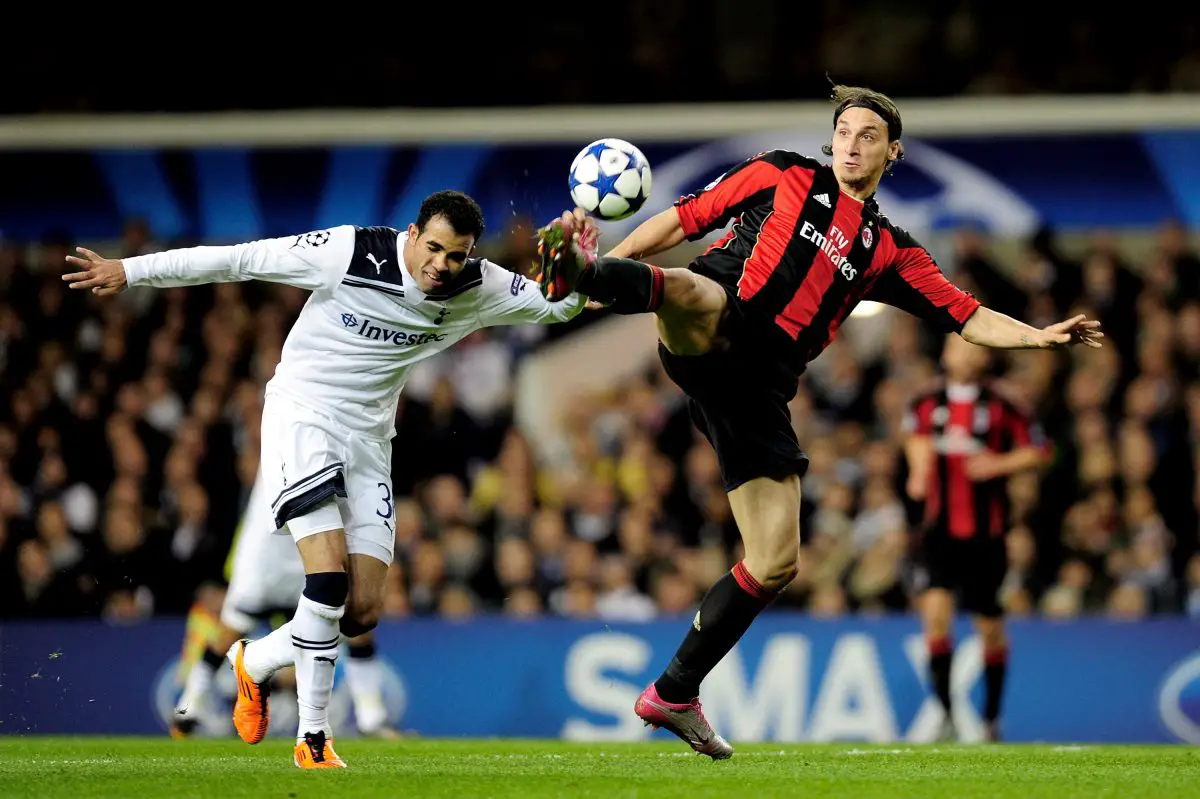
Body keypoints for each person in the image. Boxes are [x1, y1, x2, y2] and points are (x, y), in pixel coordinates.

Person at [534, 84, 1102, 759]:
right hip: (721, 319)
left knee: (776, 559)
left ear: (894, 151)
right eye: (843, 132)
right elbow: (685, 221)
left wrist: (1040, 337)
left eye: (868, 135)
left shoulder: (891, 250)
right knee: (687, 289)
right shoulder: (782, 172)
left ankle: (675, 689)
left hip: (759, 391)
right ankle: (576, 273)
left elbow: (966, 315)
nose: (851, 144)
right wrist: (606, 270)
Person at [64, 190, 591, 768]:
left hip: (370, 442)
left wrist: (578, 273)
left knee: (362, 613)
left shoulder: (481, 286)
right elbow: (238, 259)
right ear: (411, 235)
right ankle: (314, 738)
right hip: (304, 417)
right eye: (434, 248)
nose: (442, 265)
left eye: (457, 256)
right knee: (328, 578)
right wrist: (129, 270)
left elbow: (557, 307)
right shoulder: (349, 251)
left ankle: (255, 662)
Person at [171, 472, 397, 740]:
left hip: (309, 552)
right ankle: (188, 707)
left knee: (355, 620)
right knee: (228, 633)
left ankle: (370, 718)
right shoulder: (286, 444)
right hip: (271, 554)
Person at [903, 334, 1050, 743]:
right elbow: (915, 437)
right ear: (946, 353)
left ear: (985, 354)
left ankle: (989, 719)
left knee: (990, 628)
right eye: (956, 344)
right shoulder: (926, 401)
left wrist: (998, 464)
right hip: (939, 533)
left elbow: (1039, 449)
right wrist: (918, 470)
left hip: (987, 535)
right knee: (934, 618)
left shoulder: (1006, 403)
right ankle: (947, 713)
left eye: (971, 345)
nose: (964, 350)